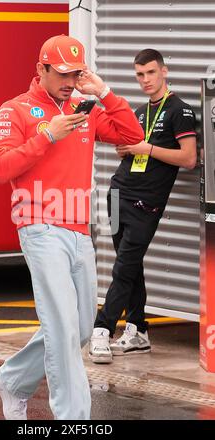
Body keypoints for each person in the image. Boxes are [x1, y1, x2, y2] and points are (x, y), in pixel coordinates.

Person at [0, 34, 143, 420]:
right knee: (60, 325)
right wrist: (47, 135)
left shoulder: (84, 107)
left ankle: (13, 380)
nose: (69, 81)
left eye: (75, 73)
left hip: (78, 229)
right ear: (40, 69)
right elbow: (0, 169)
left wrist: (104, 92)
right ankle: (74, 419)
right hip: (39, 226)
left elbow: (132, 136)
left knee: (80, 329)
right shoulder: (16, 110)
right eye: (61, 74)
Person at [89, 48, 197, 364]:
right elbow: (129, 146)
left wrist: (145, 148)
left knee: (123, 267)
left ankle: (102, 330)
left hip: (145, 203)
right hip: (118, 194)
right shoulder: (137, 113)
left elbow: (189, 158)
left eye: (150, 72)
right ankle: (137, 330)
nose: (145, 80)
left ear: (163, 71)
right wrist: (129, 151)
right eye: (139, 74)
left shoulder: (181, 110)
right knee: (130, 265)